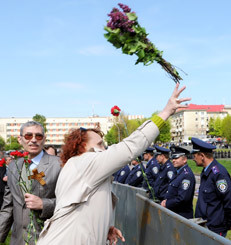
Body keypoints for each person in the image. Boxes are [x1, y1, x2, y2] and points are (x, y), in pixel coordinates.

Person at [36, 83, 190, 244]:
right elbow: (129, 147)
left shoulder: (78, 167)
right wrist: (165, 112)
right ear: (82, 147)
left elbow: (82, 208)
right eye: (101, 144)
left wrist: (105, 227)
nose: (106, 149)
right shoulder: (85, 162)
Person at [0, 121, 61, 245]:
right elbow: (8, 207)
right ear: (20, 139)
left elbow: (71, 202)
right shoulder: (13, 167)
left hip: (48, 239)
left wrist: (44, 204)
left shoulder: (59, 165)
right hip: (18, 240)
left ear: (44, 139)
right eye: (28, 136)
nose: (33, 140)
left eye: (38, 136)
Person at [192, 137, 231, 237]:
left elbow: (229, 201)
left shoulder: (218, 174)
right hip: (205, 225)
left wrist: (227, 224)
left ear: (202, 156)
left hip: (215, 228)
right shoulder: (206, 171)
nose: (193, 159)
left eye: (194, 156)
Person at [161, 145, 195, 219]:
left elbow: (183, 198)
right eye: (173, 158)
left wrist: (167, 203)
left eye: (176, 158)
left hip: (182, 215)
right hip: (175, 214)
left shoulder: (186, 175)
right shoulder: (178, 172)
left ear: (184, 159)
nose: (173, 160)